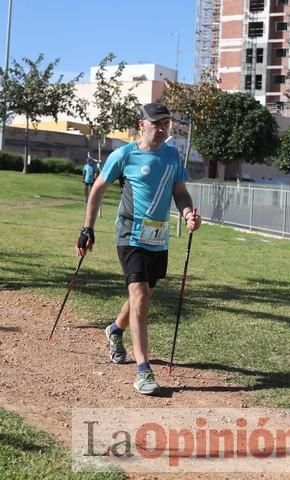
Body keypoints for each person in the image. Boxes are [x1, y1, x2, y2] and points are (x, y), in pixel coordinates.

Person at [76, 102, 201, 396]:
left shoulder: (172, 156)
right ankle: (143, 370)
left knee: (143, 298)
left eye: (166, 124)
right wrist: (87, 228)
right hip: (129, 235)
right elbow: (97, 189)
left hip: (159, 238)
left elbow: (180, 193)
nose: (161, 129)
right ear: (141, 123)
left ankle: (115, 330)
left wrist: (187, 214)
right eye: (156, 123)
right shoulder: (124, 155)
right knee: (140, 294)